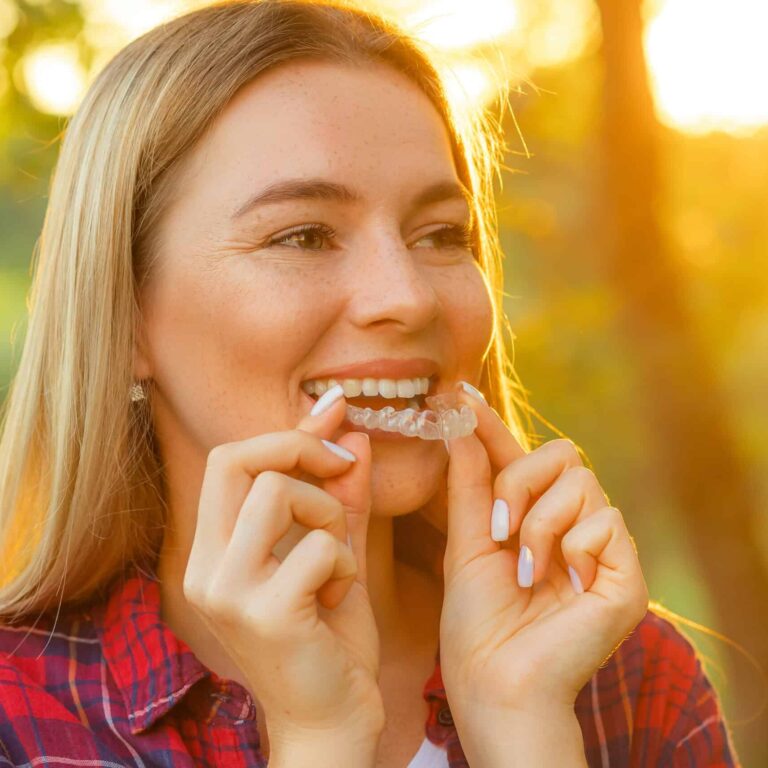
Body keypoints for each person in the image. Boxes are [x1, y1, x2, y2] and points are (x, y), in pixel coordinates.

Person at [0, 1, 741, 766]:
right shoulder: (20, 720)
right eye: (304, 235)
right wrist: (322, 741)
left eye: (441, 235)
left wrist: (523, 727)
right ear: (125, 317)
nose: (409, 297)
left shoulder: (624, 676)